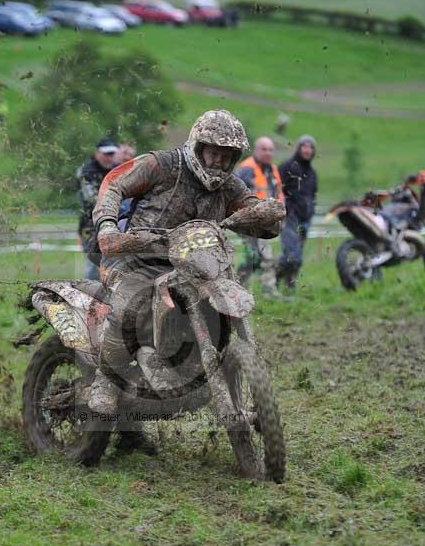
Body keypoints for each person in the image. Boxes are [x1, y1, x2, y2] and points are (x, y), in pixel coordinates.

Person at [88, 110, 285, 434]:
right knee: (129, 306)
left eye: (226, 157)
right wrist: (107, 225)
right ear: (198, 147)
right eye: (213, 154)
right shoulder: (162, 165)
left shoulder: (229, 187)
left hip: (197, 266)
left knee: (226, 296)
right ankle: (106, 382)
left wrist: (265, 215)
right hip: (137, 259)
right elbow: (114, 183)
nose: (217, 163)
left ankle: (214, 371)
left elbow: (255, 210)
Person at [235, 135, 284, 297]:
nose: (268, 153)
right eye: (264, 149)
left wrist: (281, 212)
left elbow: (278, 193)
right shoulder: (245, 169)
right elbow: (233, 195)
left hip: (266, 222)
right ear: (256, 150)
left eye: (270, 150)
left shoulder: (272, 169)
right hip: (247, 221)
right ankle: (241, 289)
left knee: (263, 256)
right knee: (255, 257)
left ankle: (266, 289)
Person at [277, 134, 318, 289]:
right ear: (299, 148)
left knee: (297, 257)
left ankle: (289, 283)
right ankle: (274, 276)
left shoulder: (312, 173)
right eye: (304, 146)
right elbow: (276, 188)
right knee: (291, 254)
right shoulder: (287, 166)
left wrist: (311, 210)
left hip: (305, 219)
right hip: (289, 217)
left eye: (311, 147)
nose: (307, 150)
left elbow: (313, 195)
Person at [76, 137, 119, 280]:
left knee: (115, 265)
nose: (109, 157)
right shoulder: (86, 172)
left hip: (115, 223)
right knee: (93, 265)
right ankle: (91, 296)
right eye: (106, 154)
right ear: (97, 154)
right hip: (90, 226)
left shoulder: (118, 170)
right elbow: (92, 199)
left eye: (111, 154)